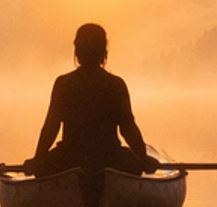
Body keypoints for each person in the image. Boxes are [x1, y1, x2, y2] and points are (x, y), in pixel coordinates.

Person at [29, 23, 150, 178]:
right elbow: (128, 128)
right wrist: (143, 159)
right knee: (135, 165)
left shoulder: (63, 83)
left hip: (69, 158)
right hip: (110, 158)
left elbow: (51, 127)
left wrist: (38, 160)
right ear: (104, 53)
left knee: (43, 169)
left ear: (77, 52)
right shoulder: (115, 84)